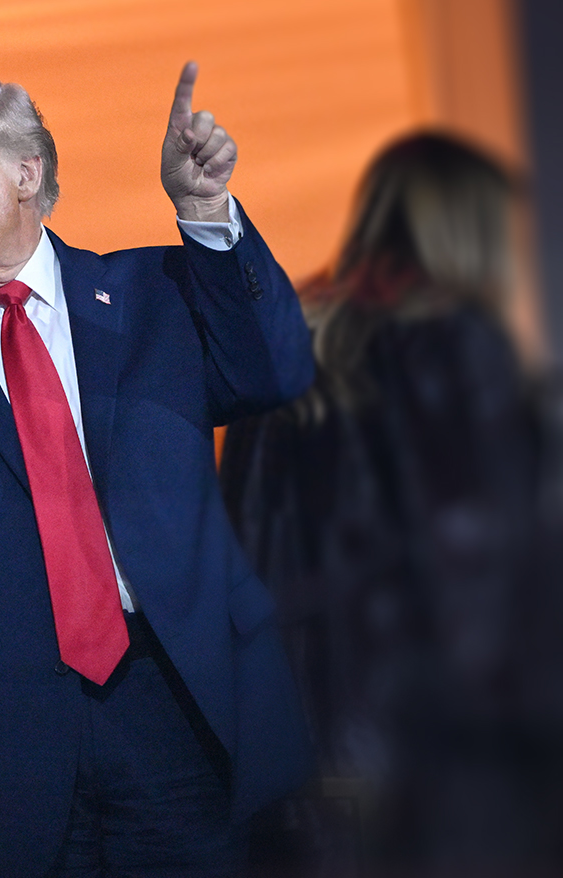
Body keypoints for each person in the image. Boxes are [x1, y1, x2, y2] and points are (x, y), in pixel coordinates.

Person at [0, 65, 314, 877]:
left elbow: (274, 373)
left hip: (176, 714)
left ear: (26, 171)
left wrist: (205, 211)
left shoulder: (154, 295)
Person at [221, 132, 561, 874]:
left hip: (295, 741)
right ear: (474, 228)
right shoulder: (453, 341)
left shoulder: (285, 339)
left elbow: (241, 548)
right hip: (435, 754)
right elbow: (482, 574)